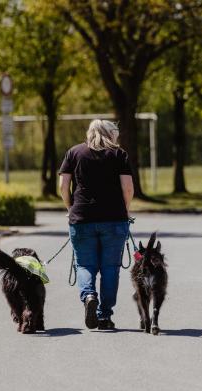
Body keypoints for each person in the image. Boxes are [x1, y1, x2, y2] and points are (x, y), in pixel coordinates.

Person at [59, 119, 134, 330]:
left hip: (82, 218)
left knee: (84, 265)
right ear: (110, 134)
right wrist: (125, 210)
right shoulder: (119, 154)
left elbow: (63, 185)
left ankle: (89, 295)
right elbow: (127, 187)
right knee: (110, 268)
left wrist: (69, 208)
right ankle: (104, 316)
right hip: (114, 219)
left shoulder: (74, 152)